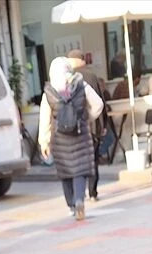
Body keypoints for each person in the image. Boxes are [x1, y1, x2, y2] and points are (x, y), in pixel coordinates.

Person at [39, 57, 103, 221]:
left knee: (66, 171)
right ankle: (80, 200)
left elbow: (44, 119)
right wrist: (87, 118)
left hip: (59, 137)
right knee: (80, 171)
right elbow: (98, 104)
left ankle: (72, 205)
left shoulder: (49, 92)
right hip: (80, 134)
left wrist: (44, 141)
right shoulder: (81, 85)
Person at [67, 49, 107, 201]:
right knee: (93, 159)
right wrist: (103, 124)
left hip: (72, 125)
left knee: (77, 160)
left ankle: (79, 192)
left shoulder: (66, 78)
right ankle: (92, 191)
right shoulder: (91, 76)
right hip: (92, 125)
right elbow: (100, 101)